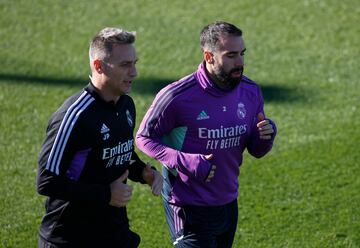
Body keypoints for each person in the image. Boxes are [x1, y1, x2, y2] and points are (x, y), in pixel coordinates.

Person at [135, 21, 277, 248]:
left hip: (228, 202)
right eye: (230, 55)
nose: (240, 62)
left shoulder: (251, 92)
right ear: (209, 56)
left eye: (242, 53)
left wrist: (265, 136)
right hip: (187, 206)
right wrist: (184, 161)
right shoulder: (176, 96)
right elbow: (143, 138)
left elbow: (256, 150)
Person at [37, 27, 163, 248]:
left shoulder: (126, 105)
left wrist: (143, 171)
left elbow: (118, 151)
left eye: (135, 63)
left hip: (114, 233)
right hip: (70, 238)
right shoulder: (75, 117)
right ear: (99, 66)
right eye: (125, 65)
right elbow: (47, 181)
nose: (134, 73)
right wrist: (106, 194)